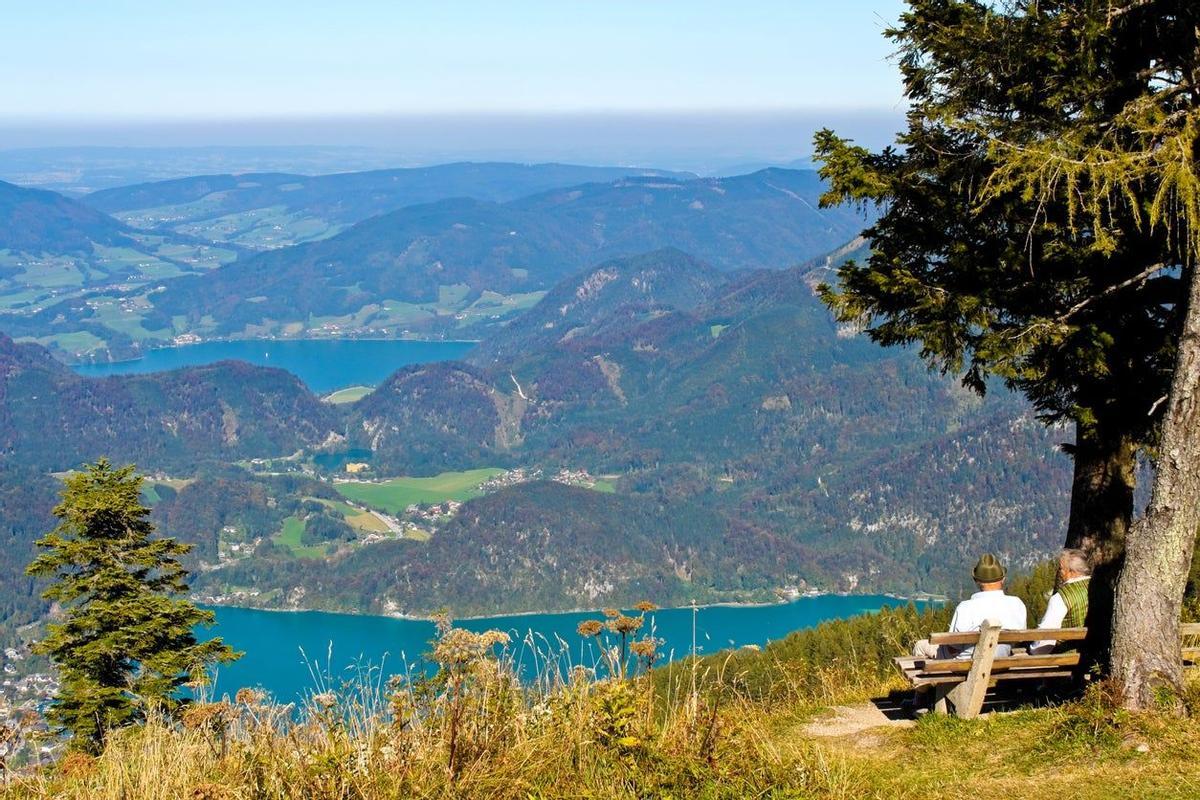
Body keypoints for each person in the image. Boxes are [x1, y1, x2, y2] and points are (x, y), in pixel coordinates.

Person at [913, 554, 1028, 659]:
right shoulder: (1017, 604)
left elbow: (953, 647)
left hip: (967, 667)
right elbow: (1020, 639)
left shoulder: (965, 608)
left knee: (920, 646)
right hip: (1002, 663)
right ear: (1003, 579)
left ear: (976, 581)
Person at [1029, 548, 1091, 654]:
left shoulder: (1061, 598)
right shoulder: (1100, 587)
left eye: (1062, 569)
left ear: (1072, 572)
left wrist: (1032, 651)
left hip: (1068, 661)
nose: (1059, 572)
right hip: (1097, 657)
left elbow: (1046, 638)